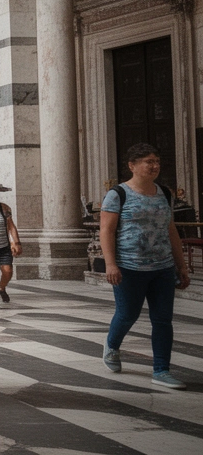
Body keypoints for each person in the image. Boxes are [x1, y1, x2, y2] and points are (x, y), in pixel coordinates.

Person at [101, 142, 191, 389]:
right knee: (127, 314)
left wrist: (180, 265)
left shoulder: (164, 192)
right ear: (132, 165)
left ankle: (161, 369)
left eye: (157, 162)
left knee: (163, 319)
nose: (154, 166)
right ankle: (111, 346)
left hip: (162, 267)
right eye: (148, 162)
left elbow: (170, 229)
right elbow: (106, 230)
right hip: (129, 266)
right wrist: (110, 264)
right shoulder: (118, 194)